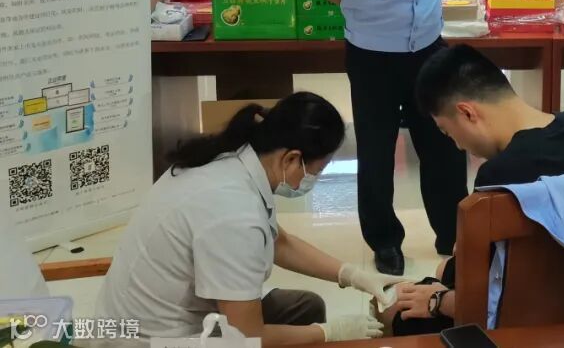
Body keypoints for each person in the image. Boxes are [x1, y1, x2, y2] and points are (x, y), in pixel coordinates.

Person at [95, 93, 395, 343]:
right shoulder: (233, 213)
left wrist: (352, 275)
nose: (314, 179)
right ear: (291, 159)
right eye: (317, 170)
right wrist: (329, 333)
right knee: (309, 324)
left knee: (306, 307)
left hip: (161, 311)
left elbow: (279, 242)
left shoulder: (235, 158)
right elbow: (246, 337)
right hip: (152, 338)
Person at [376, 44, 564, 336]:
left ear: (467, 112)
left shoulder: (499, 175)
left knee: (390, 307)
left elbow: (483, 295)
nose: (458, 145)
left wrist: (438, 299)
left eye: (448, 132)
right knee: (445, 271)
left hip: (518, 321)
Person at [312, 0, 468, 276]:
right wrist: (374, 12)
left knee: (445, 145)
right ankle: (384, 241)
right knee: (377, 151)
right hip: (372, 56)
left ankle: (454, 234)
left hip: (429, 48)